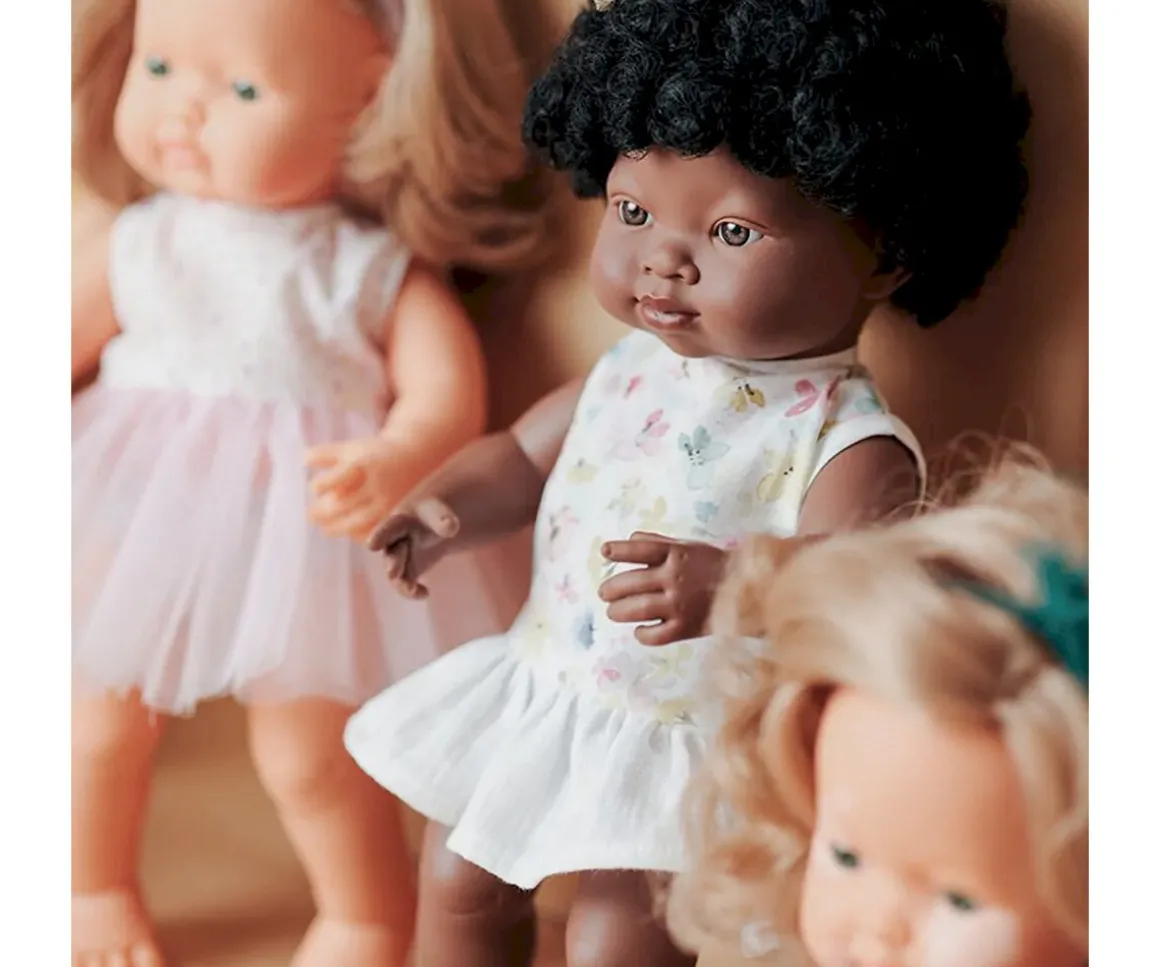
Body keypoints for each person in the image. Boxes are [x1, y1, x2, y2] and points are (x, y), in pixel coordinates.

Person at [344, 1, 1030, 965]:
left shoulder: (845, 440)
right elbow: (527, 456)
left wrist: (731, 581)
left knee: (614, 935)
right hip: (552, 688)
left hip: (677, 738)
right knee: (458, 879)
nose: (663, 258)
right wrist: (443, 505)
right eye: (633, 212)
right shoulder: (635, 364)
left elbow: (853, 592)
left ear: (886, 252)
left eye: (732, 231)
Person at [70, 0, 545, 963]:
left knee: (311, 755)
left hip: (308, 534)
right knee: (95, 721)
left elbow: (445, 395)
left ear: (371, 102)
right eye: (158, 68)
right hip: (135, 509)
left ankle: (364, 914)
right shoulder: (141, 242)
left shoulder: (363, 270)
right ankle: (91, 886)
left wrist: (399, 454)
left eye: (243, 89)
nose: (183, 109)